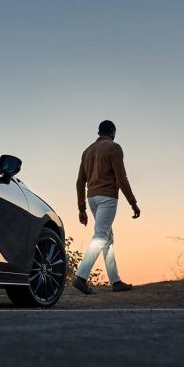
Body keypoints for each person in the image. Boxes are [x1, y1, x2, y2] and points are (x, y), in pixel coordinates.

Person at [72, 120, 140, 294]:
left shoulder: (87, 151)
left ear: (99, 132)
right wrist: (133, 202)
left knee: (107, 238)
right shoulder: (114, 148)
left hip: (92, 199)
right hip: (107, 198)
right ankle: (81, 277)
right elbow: (121, 178)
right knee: (101, 236)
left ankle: (115, 281)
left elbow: (80, 182)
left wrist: (81, 208)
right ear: (113, 132)